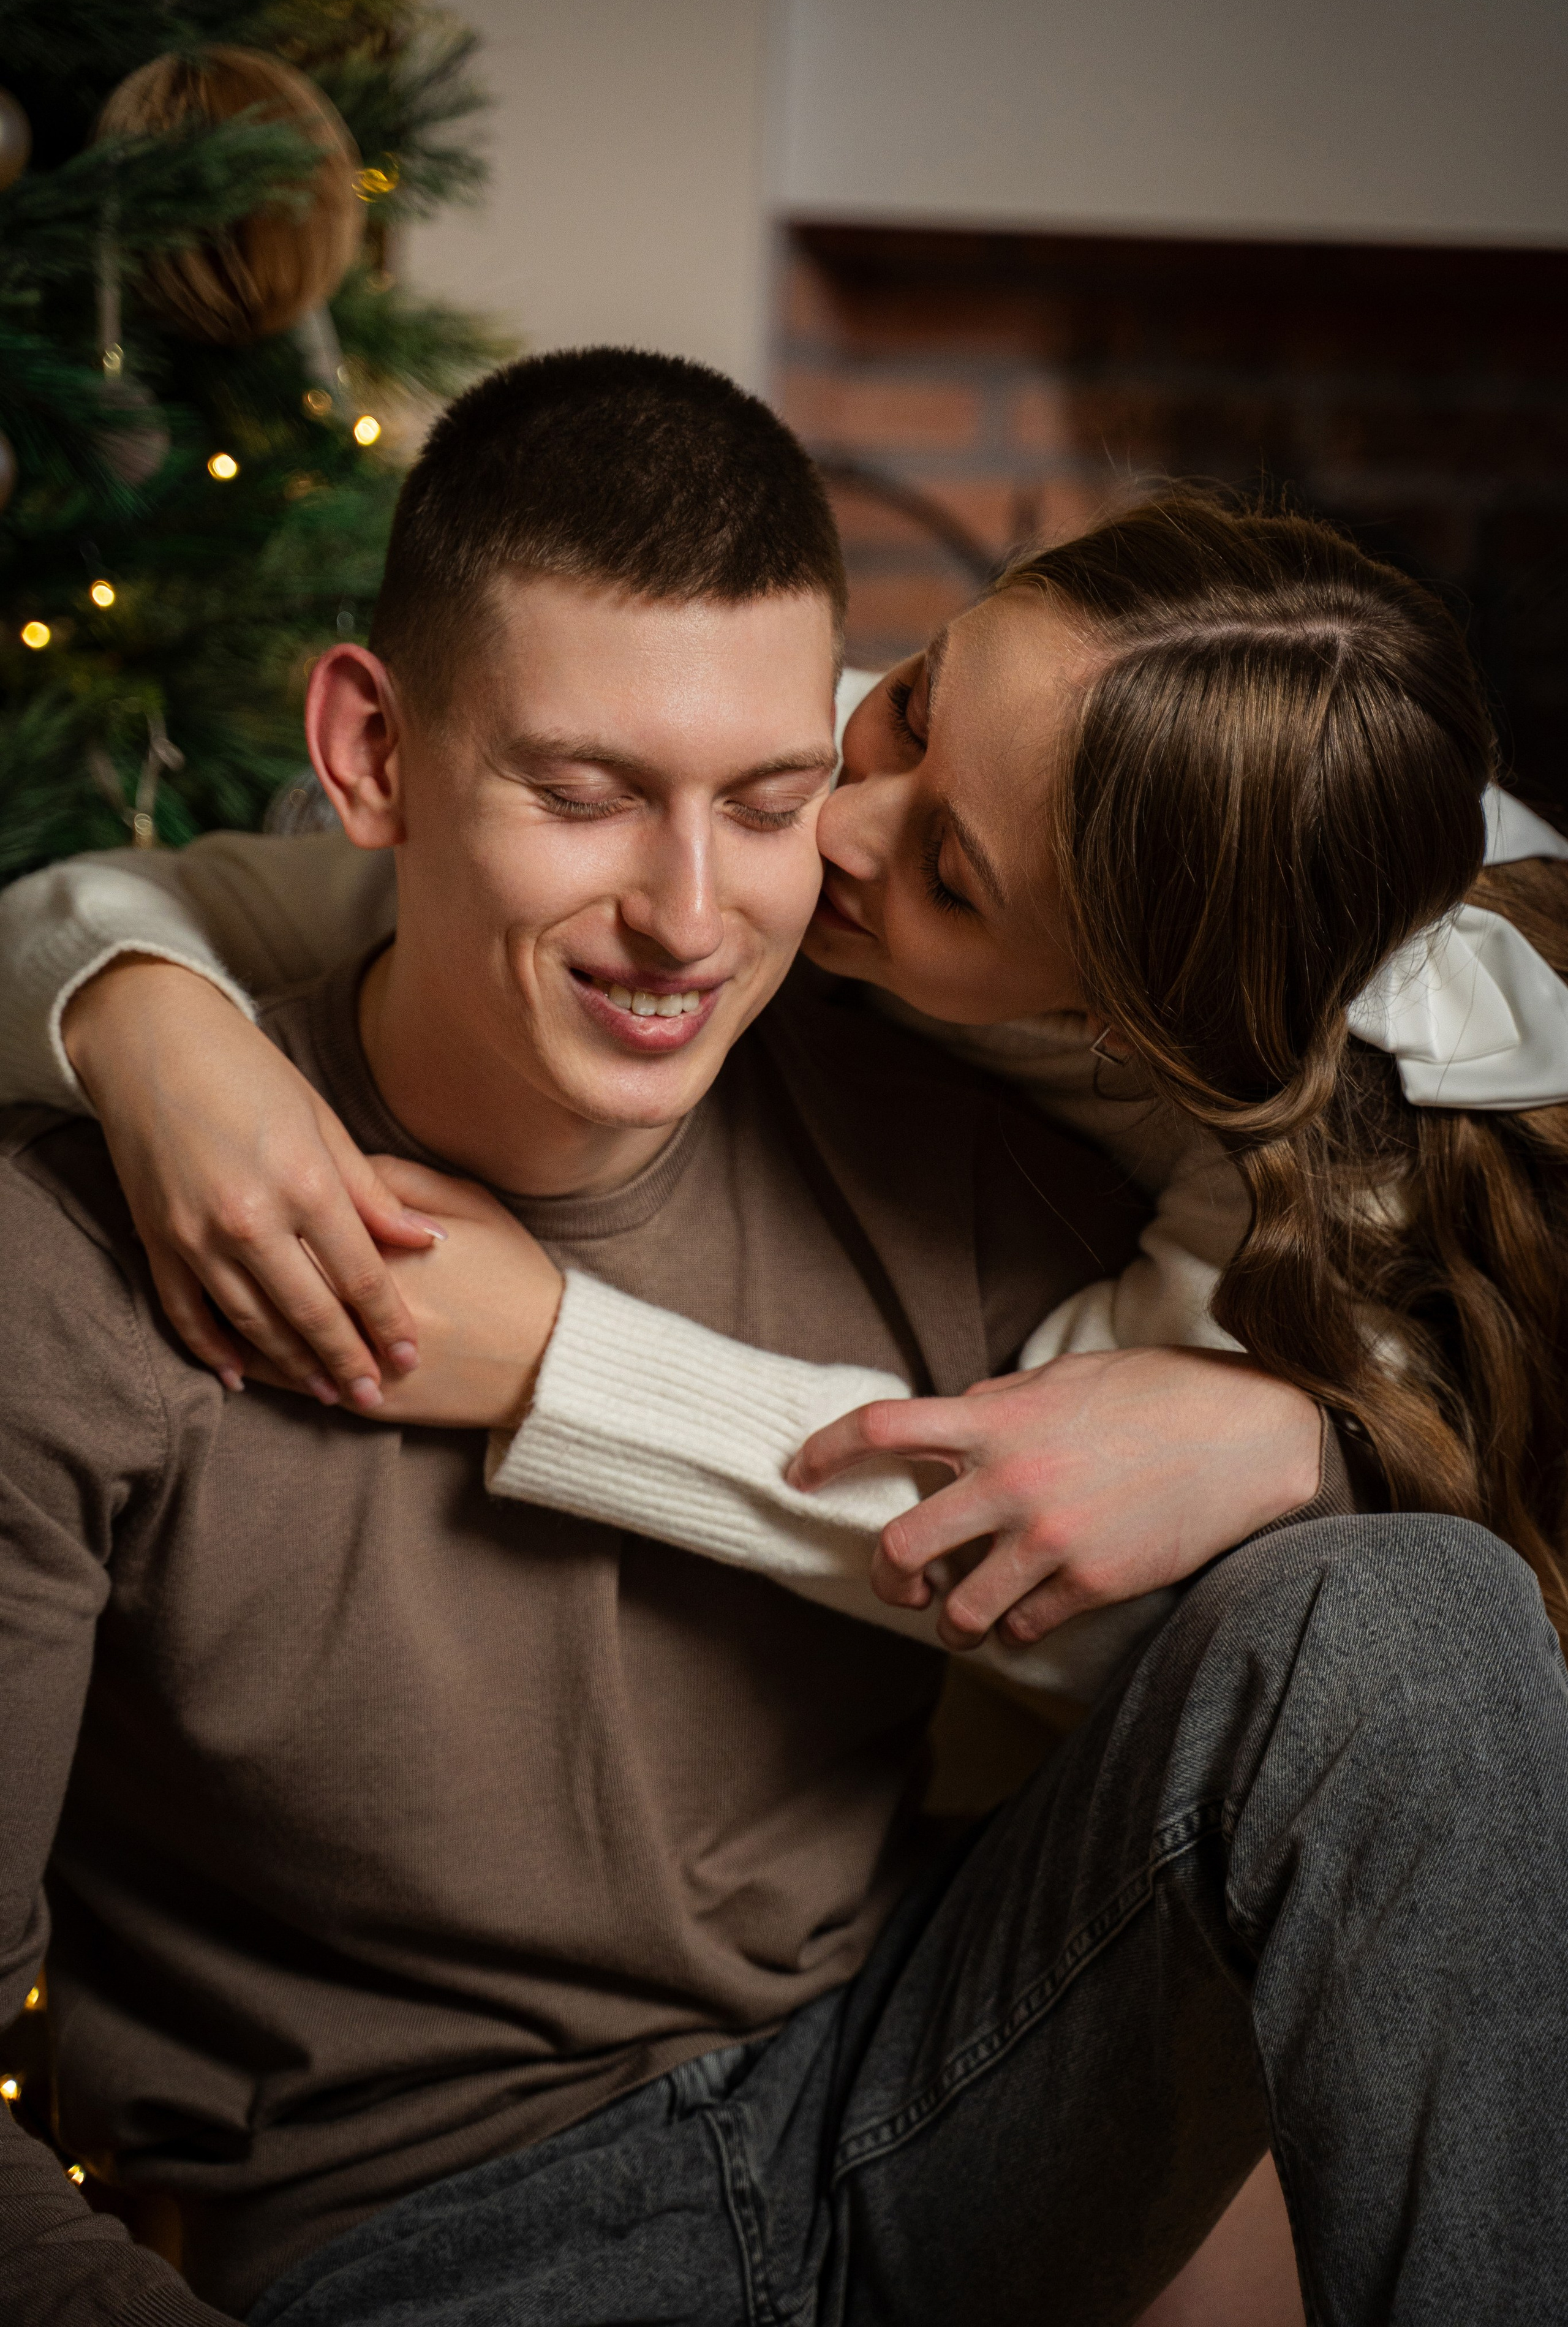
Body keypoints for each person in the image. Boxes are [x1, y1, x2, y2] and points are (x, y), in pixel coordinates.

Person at [1, 351, 1564, 2325]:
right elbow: (147, 900)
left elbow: (1308, 1719)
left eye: (771, 799)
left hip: (914, 2090)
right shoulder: (79, 1258)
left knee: (1417, 1612)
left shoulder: (1036, 1162)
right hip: (433, 2242)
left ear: (1091, 1013)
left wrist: (1297, 1448)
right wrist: (134, 1011)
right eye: (587, 794)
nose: (722, 898)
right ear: (373, 756)